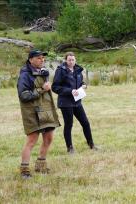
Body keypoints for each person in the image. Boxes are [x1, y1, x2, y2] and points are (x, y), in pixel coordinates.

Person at [16, 50, 61, 179]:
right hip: (32, 111)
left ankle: (40, 165)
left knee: (49, 138)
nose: (42, 60)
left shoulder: (43, 73)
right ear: (31, 60)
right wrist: (42, 89)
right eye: (39, 58)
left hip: (46, 109)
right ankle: (24, 170)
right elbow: (24, 95)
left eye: (43, 58)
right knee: (31, 140)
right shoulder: (25, 75)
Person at [52, 52, 97, 154]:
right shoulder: (61, 71)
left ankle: (91, 144)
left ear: (75, 60)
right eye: (69, 60)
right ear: (66, 60)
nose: (71, 62)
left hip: (77, 102)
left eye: (73, 60)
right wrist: (70, 91)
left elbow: (80, 82)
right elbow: (55, 87)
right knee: (69, 125)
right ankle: (70, 148)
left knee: (85, 123)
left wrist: (84, 85)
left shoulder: (77, 70)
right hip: (66, 102)